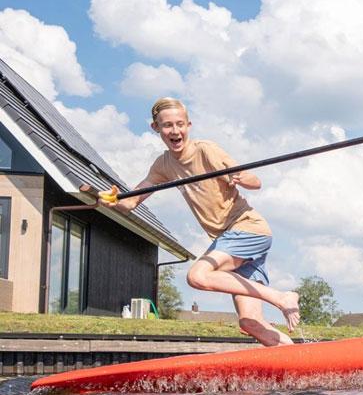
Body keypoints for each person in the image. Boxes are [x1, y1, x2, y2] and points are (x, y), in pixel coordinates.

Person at [100, 97, 299, 346]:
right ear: (155, 128)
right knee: (250, 322)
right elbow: (130, 202)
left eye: (180, 124)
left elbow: (254, 181)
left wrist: (239, 177)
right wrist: (113, 200)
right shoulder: (163, 165)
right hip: (228, 242)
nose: (175, 131)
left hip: (247, 229)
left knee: (198, 276)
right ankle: (293, 357)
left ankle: (282, 298)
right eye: (167, 125)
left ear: (189, 125)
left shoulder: (206, 150)